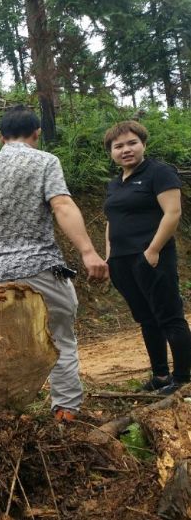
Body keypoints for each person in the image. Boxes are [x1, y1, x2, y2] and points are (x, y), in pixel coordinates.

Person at [0, 105, 108, 422]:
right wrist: (88, 252)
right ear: (37, 134)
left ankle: (0, 420)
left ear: (0, 137)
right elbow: (61, 203)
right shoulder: (46, 161)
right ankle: (65, 414)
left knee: (3, 350)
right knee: (59, 341)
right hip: (42, 270)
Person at [103, 121, 191, 395]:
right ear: (111, 152)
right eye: (118, 146)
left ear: (143, 144)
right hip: (121, 261)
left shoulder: (159, 172)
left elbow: (172, 213)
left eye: (132, 143)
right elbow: (111, 220)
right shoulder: (115, 184)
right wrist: (109, 256)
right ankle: (161, 375)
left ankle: (183, 378)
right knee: (146, 318)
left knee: (169, 315)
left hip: (152, 256)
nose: (126, 150)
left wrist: (152, 250)